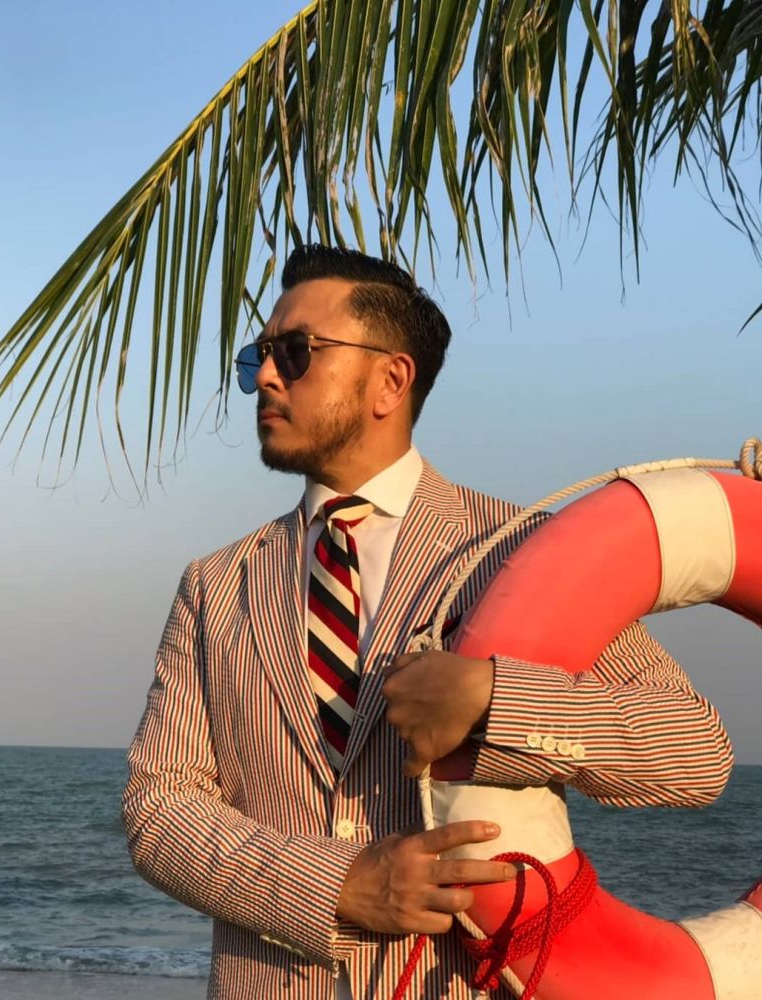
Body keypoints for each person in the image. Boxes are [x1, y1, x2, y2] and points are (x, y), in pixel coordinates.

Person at [122, 245, 733, 999]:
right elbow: (159, 809)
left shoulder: (518, 551)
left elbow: (695, 750)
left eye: (296, 351)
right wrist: (340, 886)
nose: (267, 377)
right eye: (259, 356)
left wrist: (494, 701)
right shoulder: (216, 586)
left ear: (391, 380)